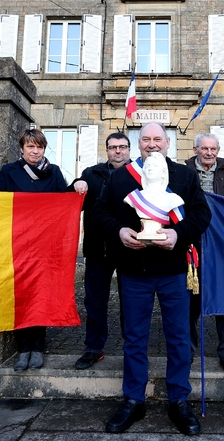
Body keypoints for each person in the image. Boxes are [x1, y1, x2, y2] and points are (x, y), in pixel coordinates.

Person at [93, 122, 211, 436]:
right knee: (133, 339)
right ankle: (133, 399)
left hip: (174, 270)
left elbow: (202, 214)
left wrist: (178, 233)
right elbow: (99, 212)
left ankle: (179, 399)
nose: (152, 144)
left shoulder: (185, 176)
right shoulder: (121, 177)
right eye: (145, 139)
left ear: (168, 142)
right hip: (133, 270)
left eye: (157, 138)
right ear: (138, 143)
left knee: (179, 337)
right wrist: (118, 231)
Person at [0, 128, 69, 371]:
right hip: (18, 243)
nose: (35, 151)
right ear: (22, 148)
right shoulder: (9, 171)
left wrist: (78, 186)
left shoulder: (54, 172)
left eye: (39, 147)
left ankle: (37, 348)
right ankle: (22, 348)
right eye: (30, 147)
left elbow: (65, 204)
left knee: (41, 296)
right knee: (21, 295)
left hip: (45, 246)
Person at [69, 132, 131, 370]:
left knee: (131, 303)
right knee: (95, 302)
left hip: (129, 249)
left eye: (122, 147)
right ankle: (93, 348)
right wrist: (75, 184)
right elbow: (71, 200)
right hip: (97, 249)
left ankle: (132, 348)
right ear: (107, 150)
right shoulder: (91, 174)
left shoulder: (138, 173)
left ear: (128, 150)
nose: (118, 151)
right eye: (113, 147)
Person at [185, 133, 224, 375]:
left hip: (221, 246)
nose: (209, 153)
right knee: (189, 303)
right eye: (204, 148)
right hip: (192, 245)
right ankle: (186, 352)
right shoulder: (184, 172)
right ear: (196, 149)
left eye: (213, 149)